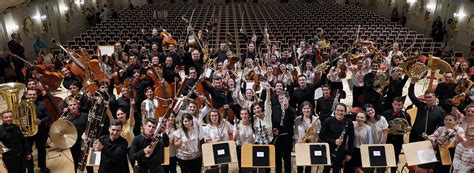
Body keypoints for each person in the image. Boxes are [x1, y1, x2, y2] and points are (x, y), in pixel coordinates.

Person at [320, 103, 355, 173]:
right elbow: (322, 135)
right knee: (326, 169)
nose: (339, 112)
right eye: (338, 110)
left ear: (345, 112)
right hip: (328, 149)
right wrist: (334, 141)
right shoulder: (328, 121)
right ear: (334, 111)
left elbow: (351, 138)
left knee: (337, 169)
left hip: (340, 151)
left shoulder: (349, 122)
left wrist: (349, 153)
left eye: (342, 111)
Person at [25, 89, 51, 173]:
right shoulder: (23, 105)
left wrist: (41, 121)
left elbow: (49, 117)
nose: (32, 96)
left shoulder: (42, 105)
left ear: (36, 95)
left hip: (40, 131)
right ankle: (30, 169)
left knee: (41, 149)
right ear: (26, 95)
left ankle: (42, 167)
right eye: (30, 95)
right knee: (28, 151)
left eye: (34, 95)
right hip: (28, 132)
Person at [382, 96, 412, 171]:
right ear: (392, 104)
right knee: (384, 156)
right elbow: (381, 126)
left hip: (398, 139)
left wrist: (409, 128)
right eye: (395, 104)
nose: (397, 107)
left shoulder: (406, 115)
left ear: (402, 105)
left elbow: (409, 127)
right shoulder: (386, 113)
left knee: (395, 156)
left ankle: (393, 170)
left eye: (399, 105)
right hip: (387, 138)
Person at [271, 92, 296, 173]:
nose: (281, 100)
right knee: (277, 160)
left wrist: (286, 108)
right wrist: (274, 129)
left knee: (287, 160)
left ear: (288, 98)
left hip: (286, 138)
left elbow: (292, 122)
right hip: (277, 138)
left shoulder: (292, 110)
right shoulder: (275, 108)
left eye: (283, 98)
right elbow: (272, 121)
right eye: (280, 99)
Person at [294, 101, 321, 173]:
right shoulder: (297, 120)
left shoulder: (316, 120)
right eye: (304, 108)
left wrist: (314, 134)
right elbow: (295, 132)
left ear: (311, 109)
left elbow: (319, 133)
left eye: (308, 108)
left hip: (311, 144)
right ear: (301, 110)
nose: (306, 110)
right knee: (299, 165)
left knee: (308, 165)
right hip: (300, 144)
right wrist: (297, 141)